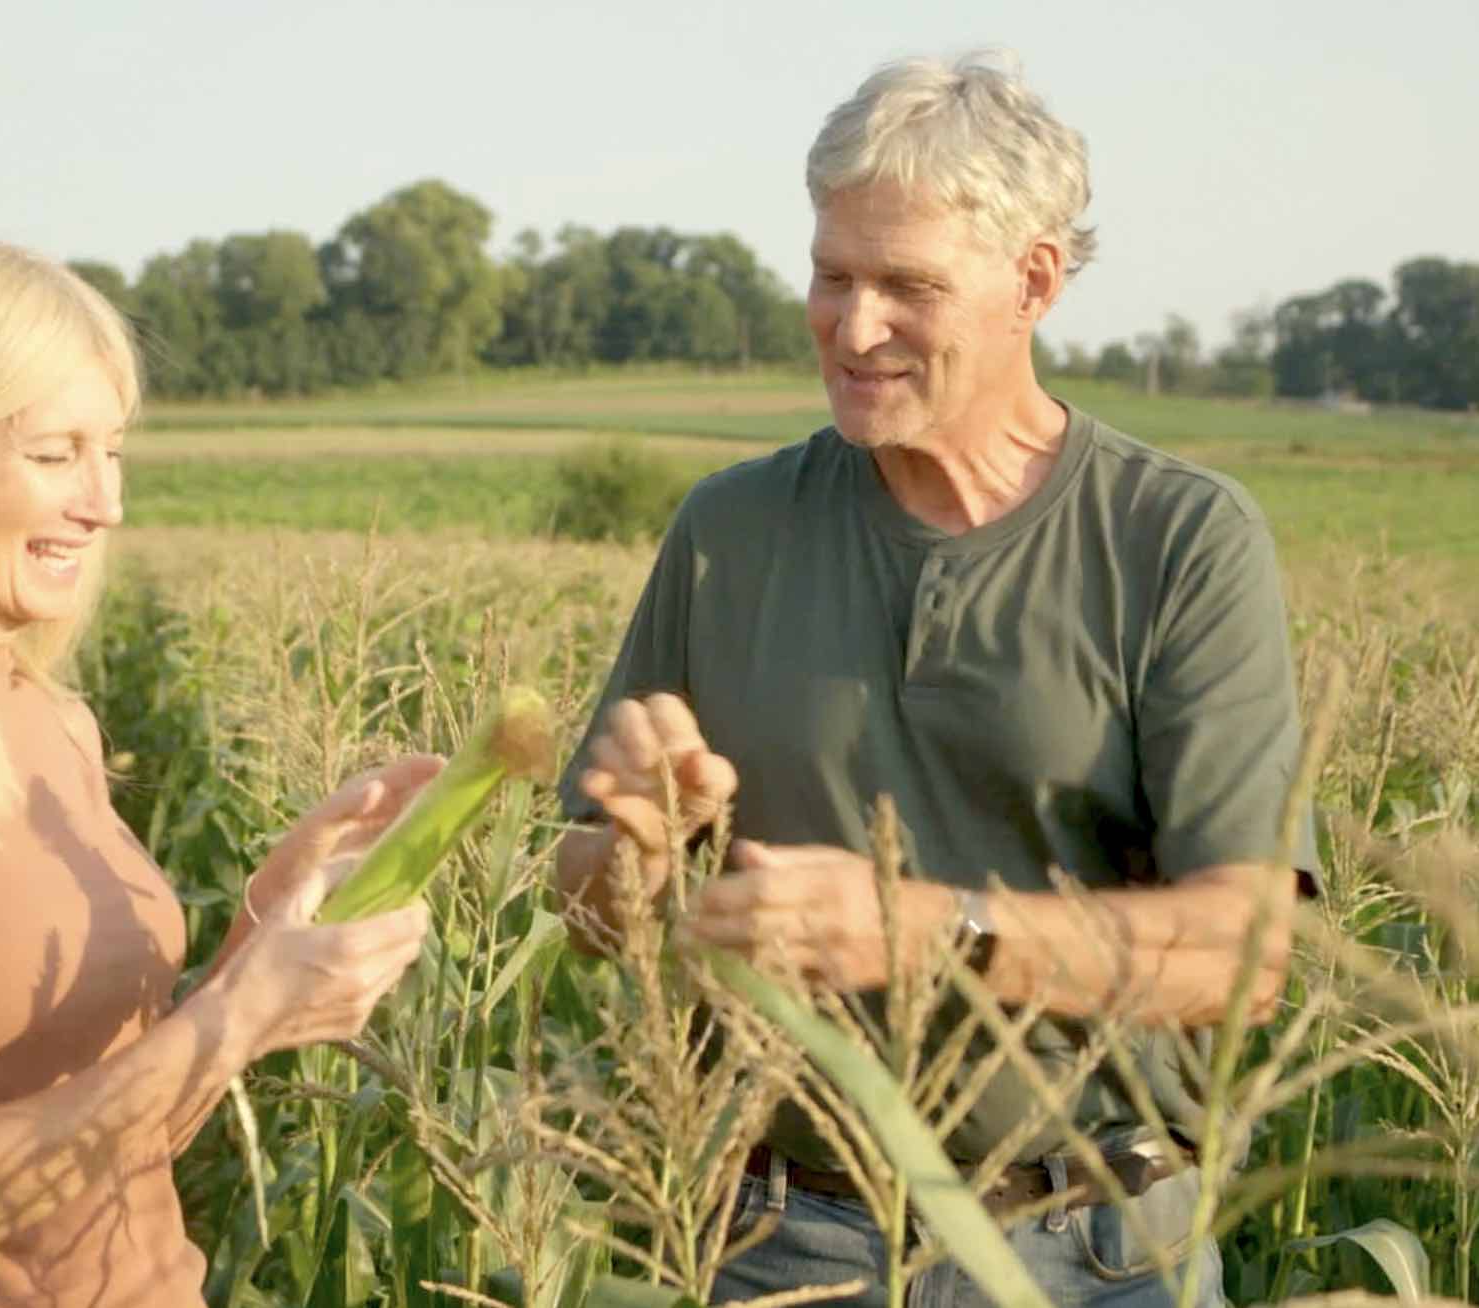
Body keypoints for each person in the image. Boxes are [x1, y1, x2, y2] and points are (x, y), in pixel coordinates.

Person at [553, 51, 1318, 1308]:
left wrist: (931, 934)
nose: (853, 329)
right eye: (830, 275)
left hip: (1092, 1248)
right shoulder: (729, 530)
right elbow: (585, 909)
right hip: (773, 1242)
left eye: (906, 285)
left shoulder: (1178, 538)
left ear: (1033, 281)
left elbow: (1242, 952)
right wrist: (635, 856)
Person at [0, 235, 434, 1308]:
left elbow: (133, 1132)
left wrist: (263, 937)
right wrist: (236, 1015)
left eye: (115, 452)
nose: (105, 503)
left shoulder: (59, 725)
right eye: (56, 454)